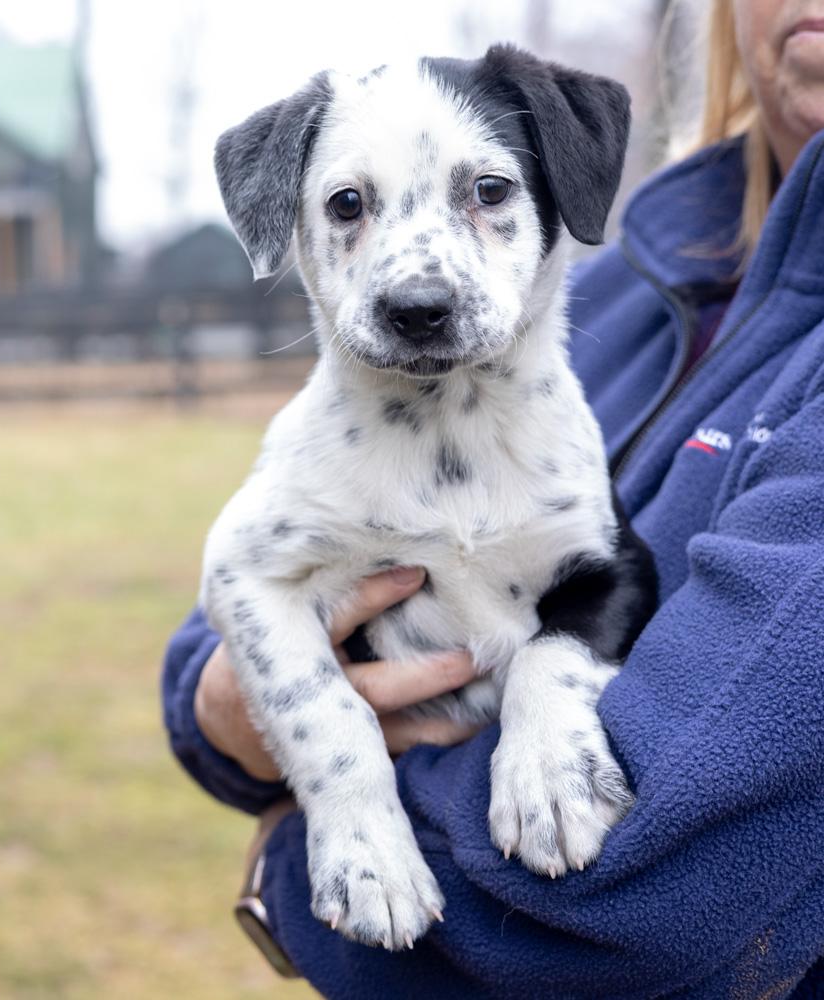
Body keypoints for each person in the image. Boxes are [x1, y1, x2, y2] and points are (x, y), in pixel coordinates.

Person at [162, 0, 824, 995]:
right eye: (350, 206)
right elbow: (215, 649)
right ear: (284, 216)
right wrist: (265, 727)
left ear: (564, 184)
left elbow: (635, 898)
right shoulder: (639, 298)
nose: (417, 280)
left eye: (484, 192)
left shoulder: (560, 371)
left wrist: (283, 861)